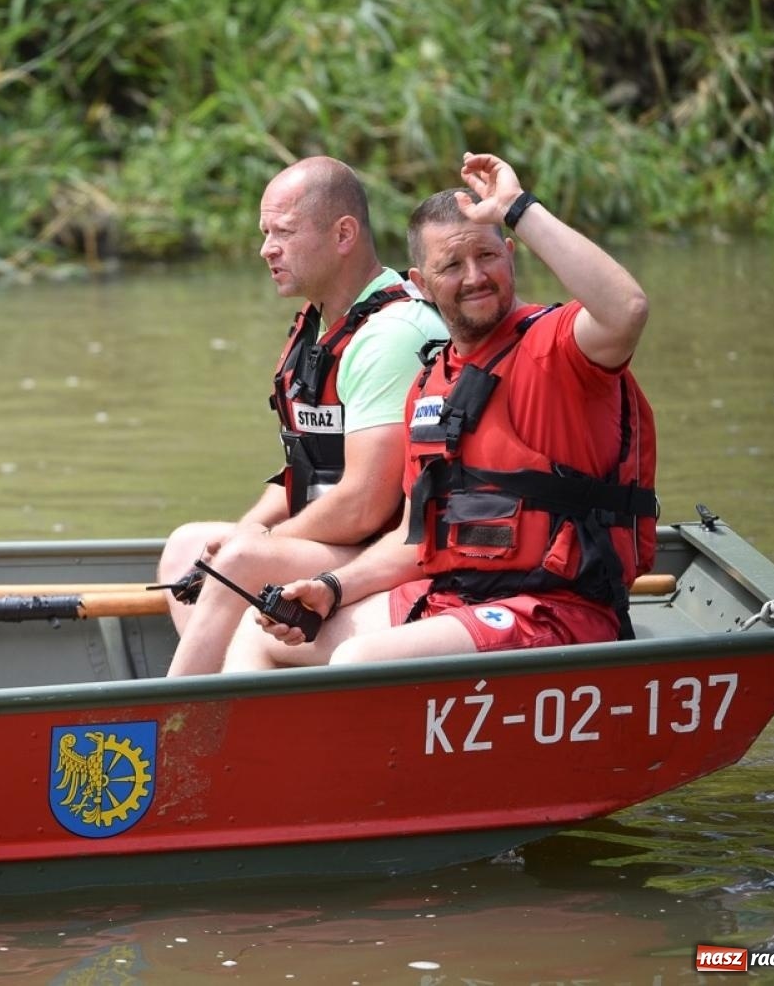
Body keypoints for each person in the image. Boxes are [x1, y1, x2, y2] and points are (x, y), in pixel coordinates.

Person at [224, 151, 657, 670]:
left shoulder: (560, 347)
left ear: (511, 255)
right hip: (453, 599)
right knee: (257, 636)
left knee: (358, 659)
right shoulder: (430, 386)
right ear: (423, 285)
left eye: (487, 256)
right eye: (451, 265)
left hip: (555, 610)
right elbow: (417, 542)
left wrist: (516, 206)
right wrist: (331, 588)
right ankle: (223, 754)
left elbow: (626, 309)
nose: (474, 276)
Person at [161, 156, 446, 676]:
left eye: (284, 232)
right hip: (332, 539)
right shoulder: (320, 326)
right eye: (266, 232)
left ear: (343, 234)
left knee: (240, 563)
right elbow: (307, 471)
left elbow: (364, 504)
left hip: (384, 549)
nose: (266, 248)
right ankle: (237, 694)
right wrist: (243, 530)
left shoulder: (392, 334)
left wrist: (259, 545)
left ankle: (177, 722)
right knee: (187, 549)